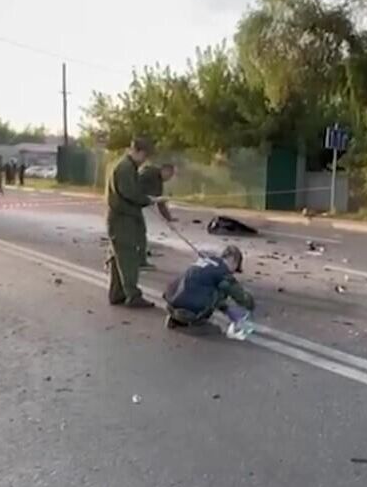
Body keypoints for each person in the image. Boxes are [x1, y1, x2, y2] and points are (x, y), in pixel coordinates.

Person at [105, 138, 160, 308]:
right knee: (128, 256)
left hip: (120, 216)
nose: (145, 160)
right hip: (123, 218)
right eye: (144, 155)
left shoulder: (120, 164)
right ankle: (133, 295)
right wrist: (147, 200)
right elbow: (129, 193)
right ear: (136, 150)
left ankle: (117, 293)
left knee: (118, 257)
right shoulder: (125, 168)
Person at [162, 246, 255, 339]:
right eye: (235, 269)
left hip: (171, 305)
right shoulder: (223, 273)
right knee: (221, 290)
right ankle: (193, 321)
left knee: (205, 286)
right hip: (191, 312)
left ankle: (176, 318)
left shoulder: (205, 261)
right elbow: (240, 296)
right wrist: (250, 304)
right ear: (234, 261)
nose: (233, 273)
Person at [138, 163, 176, 271]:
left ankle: (140, 260)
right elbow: (135, 186)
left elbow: (160, 202)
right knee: (138, 234)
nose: (169, 178)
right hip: (134, 206)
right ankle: (140, 261)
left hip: (140, 205)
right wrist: (146, 198)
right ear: (165, 170)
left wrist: (168, 219)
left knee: (140, 233)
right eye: (170, 175)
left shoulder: (158, 181)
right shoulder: (149, 173)